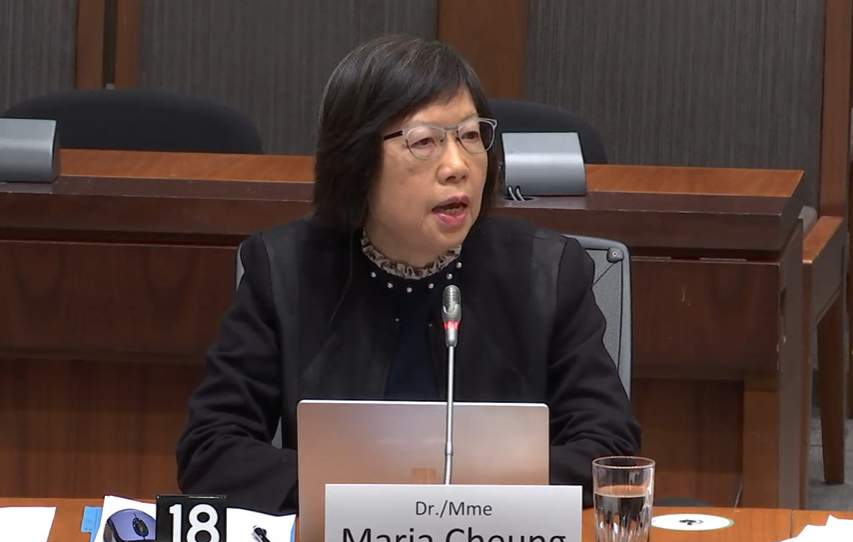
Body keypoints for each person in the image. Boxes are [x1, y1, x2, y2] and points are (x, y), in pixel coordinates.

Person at [176, 35, 640, 514]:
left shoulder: (546, 271)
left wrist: (457, 498)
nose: (457, 166)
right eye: (424, 142)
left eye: (470, 136)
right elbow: (212, 449)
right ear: (356, 160)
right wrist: (376, 497)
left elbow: (608, 448)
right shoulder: (285, 270)